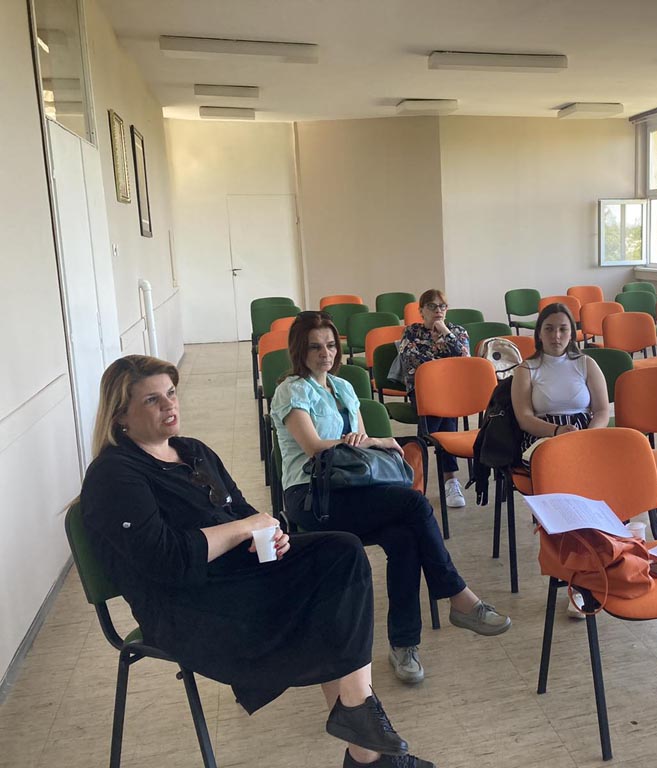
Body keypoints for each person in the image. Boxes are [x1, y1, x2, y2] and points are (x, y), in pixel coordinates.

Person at [80, 355, 433, 768]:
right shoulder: (113, 475)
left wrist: (273, 536)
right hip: (187, 606)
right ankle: (367, 749)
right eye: (152, 400)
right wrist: (243, 529)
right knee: (326, 593)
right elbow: (168, 561)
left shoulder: (192, 451)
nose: (169, 405)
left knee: (342, 552)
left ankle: (362, 730)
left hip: (238, 577)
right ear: (120, 415)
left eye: (171, 393)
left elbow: (244, 513)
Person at [272, 310, 510, 687]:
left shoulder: (344, 387)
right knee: (415, 505)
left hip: (352, 489)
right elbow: (314, 448)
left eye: (330, 345)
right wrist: (377, 440)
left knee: (404, 538)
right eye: (315, 347)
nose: (325, 353)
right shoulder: (291, 390)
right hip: (311, 496)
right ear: (299, 350)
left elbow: (359, 451)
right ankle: (459, 597)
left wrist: (367, 441)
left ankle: (404, 646)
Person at [511, 302, 610, 617]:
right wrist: (556, 432)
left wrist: (586, 437)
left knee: (608, 479)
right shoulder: (527, 369)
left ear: (573, 333)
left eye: (563, 329)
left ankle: (605, 560)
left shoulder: (585, 363)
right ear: (539, 333)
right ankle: (576, 580)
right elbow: (525, 418)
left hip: (584, 435)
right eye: (550, 329)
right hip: (543, 437)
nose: (556, 336)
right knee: (569, 487)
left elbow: (602, 411)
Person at [398, 289, 471, 509]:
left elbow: (465, 360)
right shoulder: (412, 332)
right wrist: (445, 364)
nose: (438, 310)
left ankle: (417, 476)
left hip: (450, 393)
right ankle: (450, 479)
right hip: (422, 391)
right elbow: (413, 363)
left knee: (441, 413)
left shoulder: (457, 331)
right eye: (432, 306)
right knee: (444, 414)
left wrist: (446, 333)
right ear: (421, 311)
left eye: (442, 306)